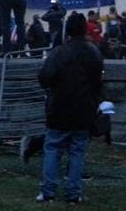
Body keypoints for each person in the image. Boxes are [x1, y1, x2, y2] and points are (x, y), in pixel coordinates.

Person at [36, 12, 104, 204]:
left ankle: (48, 191)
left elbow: (44, 77)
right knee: (77, 152)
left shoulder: (59, 52)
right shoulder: (94, 53)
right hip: (84, 110)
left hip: (59, 108)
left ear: (67, 31)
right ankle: (73, 193)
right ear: (84, 29)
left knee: (52, 149)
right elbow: (99, 82)